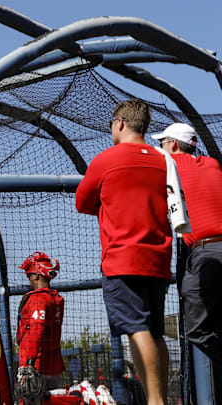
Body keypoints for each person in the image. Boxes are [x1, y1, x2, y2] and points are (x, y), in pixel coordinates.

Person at [76, 99, 171, 405]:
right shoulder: (162, 159)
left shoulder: (106, 159)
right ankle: (161, 398)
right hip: (159, 258)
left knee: (136, 328)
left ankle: (155, 402)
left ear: (119, 123)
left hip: (123, 258)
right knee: (155, 332)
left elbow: (82, 202)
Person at [155, 123, 222, 366]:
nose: (161, 146)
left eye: (163, 142)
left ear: (173, 144)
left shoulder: (167, 166)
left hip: (205, 252)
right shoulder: (212, 164)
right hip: (211, 250)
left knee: (197, 330)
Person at [15, 252, 65, 404]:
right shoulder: (55, 298)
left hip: (36, 367)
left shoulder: (38, 298)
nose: (28, 278)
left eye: (29, 274)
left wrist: (28, 366)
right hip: (54, 365)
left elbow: (36, 332)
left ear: (36, 275)